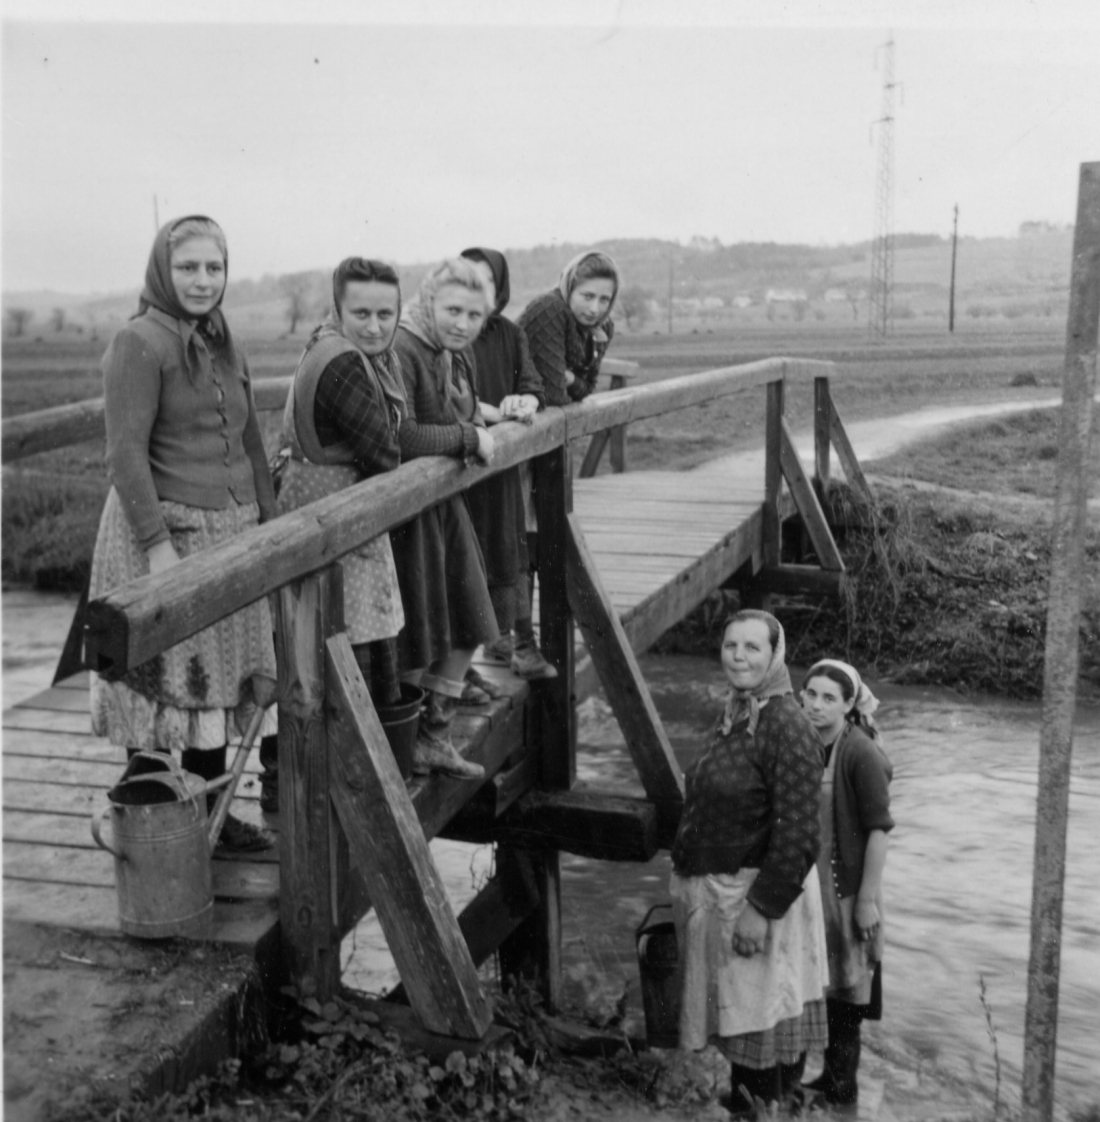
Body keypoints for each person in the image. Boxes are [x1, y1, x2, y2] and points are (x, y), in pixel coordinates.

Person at [89, 215, 275, 852]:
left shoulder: (225, 339)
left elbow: (251, 440)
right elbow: (124, 454)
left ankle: (214, 813)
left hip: (229, 531)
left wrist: (270, 521)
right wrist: (158, 547)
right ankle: (159, 820)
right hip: (165, 532)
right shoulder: (138, 341)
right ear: (163, 273)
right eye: (188, 267)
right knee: (165, 680)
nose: (202, 280)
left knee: (215, 681)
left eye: (213, 267)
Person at [260, 258, 410, 804]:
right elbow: (387, 452)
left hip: (326, 512)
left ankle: (303, 778)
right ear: (338, 309)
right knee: (338, 645)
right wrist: (461, 438)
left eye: (386, 314)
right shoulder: (345, 362)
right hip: (332, 516)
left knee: (316, 644)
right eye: (361, 313)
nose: (374, 326)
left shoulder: (335, 347)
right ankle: (328, 786)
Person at [669, 610, 828, 1116]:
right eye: (730, 645)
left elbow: (800, 833)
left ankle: (759, 1110)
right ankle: (766, 1106)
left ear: (775, 656)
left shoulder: (786, 725)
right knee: (746, 1029)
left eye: (752, 647)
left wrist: (761, 911)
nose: (738, 656)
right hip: (725, 894)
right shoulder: (739, 710)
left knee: (756, 1028)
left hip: (757, 902)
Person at [390, 258, 501, 780]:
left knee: (472, 615)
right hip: (409, 509)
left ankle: (435, 736)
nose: (463, 323)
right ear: (429, 302)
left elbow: (460, 412)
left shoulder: (446, 351)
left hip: (442, 500)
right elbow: (404, 435)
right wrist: (468, 437)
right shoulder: (405, 347)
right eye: (453, 310)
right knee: (424, 626)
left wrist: (482, 420)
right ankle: (410, 739)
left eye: (475, 315)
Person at [458, 247, 556, 683]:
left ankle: (513, 643)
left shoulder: (509, 334)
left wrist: (524, 401)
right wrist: (492, 412)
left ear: (500, 288)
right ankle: (461, 669)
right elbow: (449, 397)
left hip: (500, 470)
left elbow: (533, 384)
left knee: (505, 550)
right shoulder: (452, 333)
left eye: (487, 281)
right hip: (462, 462)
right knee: (463, 555)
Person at [800, 660, 894, 1107]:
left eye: (828, 698)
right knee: (809, 990)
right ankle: (815, 1083)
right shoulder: (803, 741)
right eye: (810, 694)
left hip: (846, 892)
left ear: (848, 704)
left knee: (845, 998)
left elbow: (879, 832)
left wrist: (867, 901)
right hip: (807, 892)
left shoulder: (860, 752)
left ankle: (841, 1093)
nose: (816, 705)